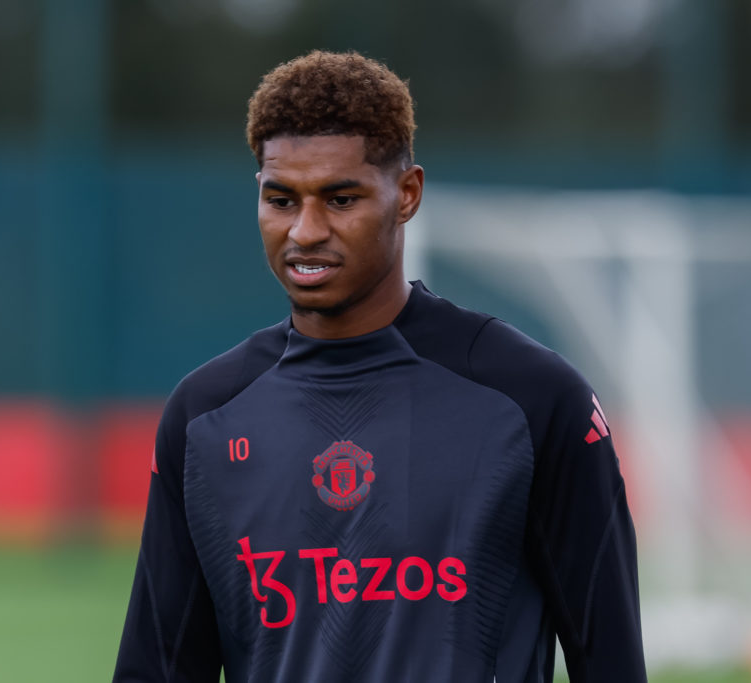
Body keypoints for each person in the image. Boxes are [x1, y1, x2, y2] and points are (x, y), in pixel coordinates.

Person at [113, 50, 647, 682]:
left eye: (341, 199)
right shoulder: (204, 415)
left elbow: (609, 659)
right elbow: (159, 669)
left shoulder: (532, 399)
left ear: (407, 195)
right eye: (281, 200)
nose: (305, 231)